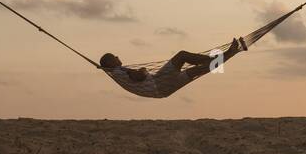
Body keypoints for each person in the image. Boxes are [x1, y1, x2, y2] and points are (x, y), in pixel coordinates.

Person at [99, 39, 243, 98]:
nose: (117, 56)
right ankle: (226, 54)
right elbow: (140, 77)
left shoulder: (117, 72)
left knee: (192, 65)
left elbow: (136, 78)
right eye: (114, 56)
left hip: (160, 85)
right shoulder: (119, 71)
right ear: (111, 62)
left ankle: (228, 54)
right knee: (188, 62)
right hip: (159, 84)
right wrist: (143, 70)